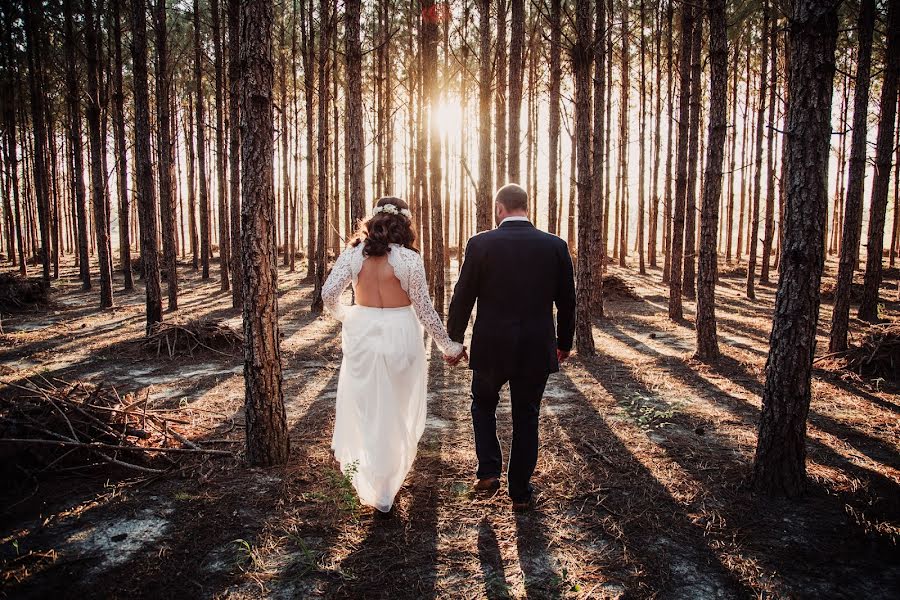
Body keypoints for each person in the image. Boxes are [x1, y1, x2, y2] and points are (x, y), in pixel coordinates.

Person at [321, 197, 465, 513]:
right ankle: (386, 482)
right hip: (401, 333)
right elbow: (424, 309)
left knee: (369, 407)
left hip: (363, 335)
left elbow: (329, 294)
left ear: (373, 221)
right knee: (397, 408)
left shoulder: (354, 254)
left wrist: (348, 316)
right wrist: (448, 346)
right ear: (405, 224)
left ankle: (375, 477)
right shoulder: (410, 260)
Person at [446, 183, 576, 511]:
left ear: (499, 208)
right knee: (527, 415)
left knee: (483, 405)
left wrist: (454, 340)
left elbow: (462, 296)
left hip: (491, 346)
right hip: (536, 346)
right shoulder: (555, 246)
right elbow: (568, 302)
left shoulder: (480, 243)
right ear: (526, 207)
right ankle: (520, 492)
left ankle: (489, 469)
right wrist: (564, 343)